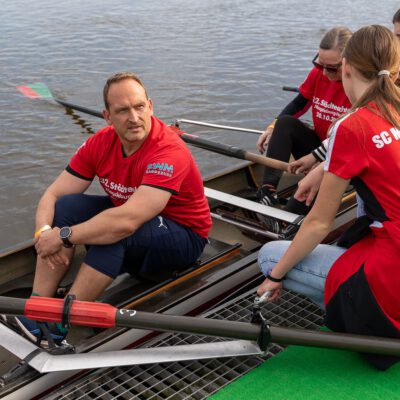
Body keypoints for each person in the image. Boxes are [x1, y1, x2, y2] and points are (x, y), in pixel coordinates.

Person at [5, 72, 212, 345]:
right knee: (68, 206)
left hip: (185, 237)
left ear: (150, 106)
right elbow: (53, 195)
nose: (134, 118)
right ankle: (38, 308)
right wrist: (43, 233)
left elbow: (123, 223)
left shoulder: (169, 151)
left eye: (139, 107)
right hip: (132, 220)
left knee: (114, 232)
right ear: (107, 116)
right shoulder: (99, 142)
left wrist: (64, 236)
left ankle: (59, 325)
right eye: (122, 110)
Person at [257, 25, 400, 370]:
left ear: (347, 67)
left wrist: (275, 276)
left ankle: (361, 315)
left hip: (393, 268)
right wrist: (322, 170)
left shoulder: (354, 125)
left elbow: (319, 222)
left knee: (268, 256)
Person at [256, 27, 352, 231]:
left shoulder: (357, 84)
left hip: (346, 156)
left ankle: (286, 220)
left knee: (311, 182)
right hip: (322, 147)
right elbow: (298, 104)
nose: (324, 73)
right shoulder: (319, 74)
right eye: (320, 65)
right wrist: (271, 128)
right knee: (285, 123)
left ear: (348, 63)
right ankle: (267, 190)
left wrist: (321, 163)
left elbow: (353, 137)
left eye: (332, 68)